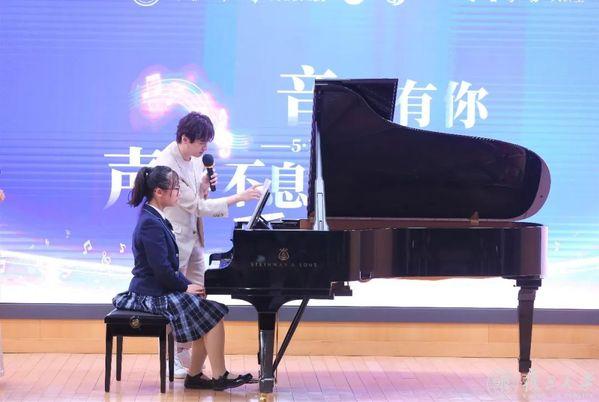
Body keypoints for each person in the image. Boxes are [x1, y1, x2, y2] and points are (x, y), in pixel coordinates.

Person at [112, 165, 253, 390]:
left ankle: (195, 376)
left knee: (205, 312)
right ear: (159, 192)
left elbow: (168, 269)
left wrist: (189, 285)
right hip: (150, 294)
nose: (178, 192)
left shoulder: (155, 217)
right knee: (213, 314)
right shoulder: (150, 224)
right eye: (176, 188)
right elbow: (162, 271)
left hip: (158, 288)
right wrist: (186, 288)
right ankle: (219, 375)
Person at [150, 112, 261, 377]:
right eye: (201, 143)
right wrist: (239, 198)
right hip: (175, 239)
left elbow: (198, 198)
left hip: (194, 238)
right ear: (184, 139)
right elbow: (196, 206)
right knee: (174, 299)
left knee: (198, 296)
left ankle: (189, 358)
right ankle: (172, 358)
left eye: (207, 143)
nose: (205, 148)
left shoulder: (197, 159)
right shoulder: (167, 165)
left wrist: (203, 184)